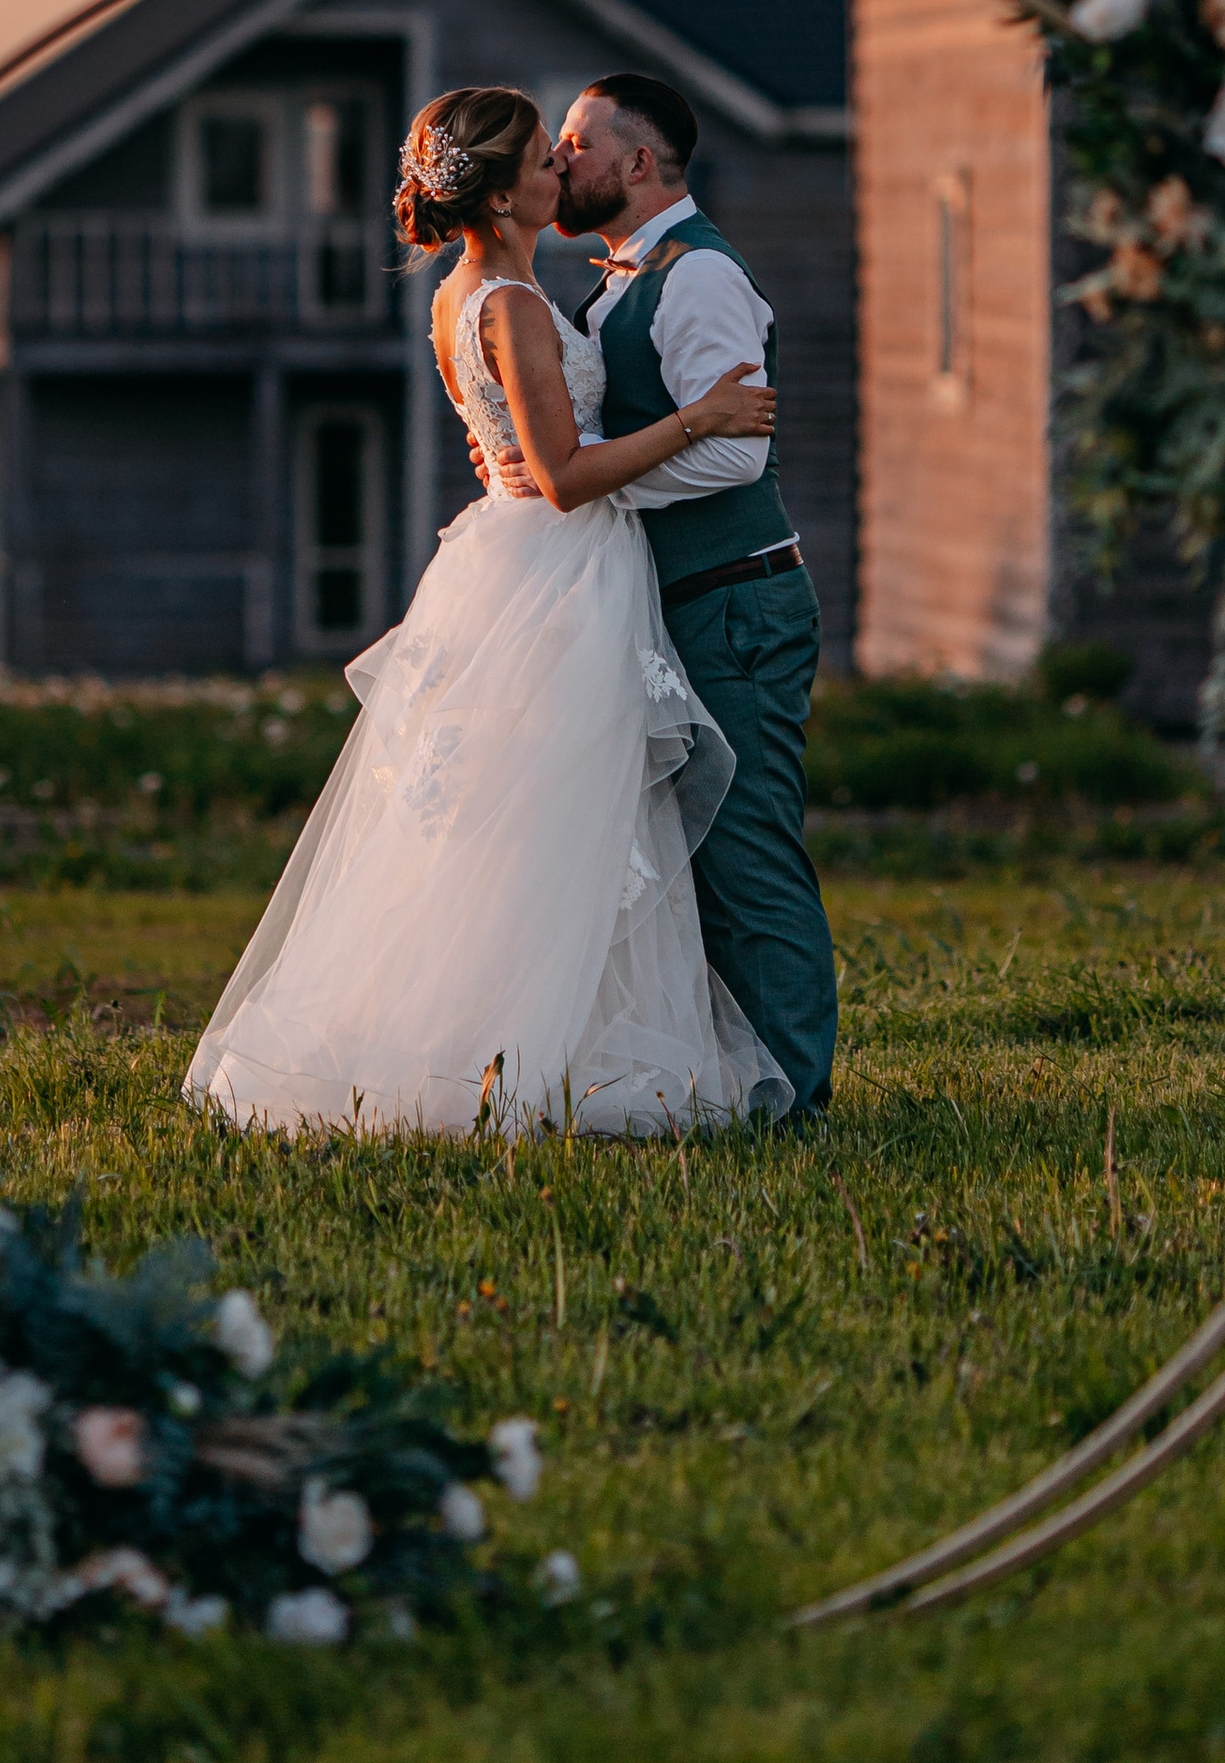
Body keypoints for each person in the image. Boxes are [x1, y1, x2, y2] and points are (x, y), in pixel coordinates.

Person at [184, 86, 791, 1136]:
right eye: (546, 160)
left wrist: (522, 457)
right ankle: (524, 1054)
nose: (562, 167)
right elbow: (556, 473)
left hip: (518, 563)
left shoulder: (466, 294)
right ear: (508, 195)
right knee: (559, 814)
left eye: (569, 151)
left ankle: (520, 1038)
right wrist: (702, 417)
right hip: (560, 572)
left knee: (521, 818)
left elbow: (519, 446)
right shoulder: (507, 304)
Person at [524, 72, 839, 1118]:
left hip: (735, 602)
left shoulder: (696, 278)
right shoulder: (619, 279)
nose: (560, 159)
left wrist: (589, 484)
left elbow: (733, 461)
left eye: (576, 141)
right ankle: (728, 1073)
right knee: (685, 862)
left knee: (746, 854)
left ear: (639, 162)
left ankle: (792, 1096)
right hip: (676, 607)